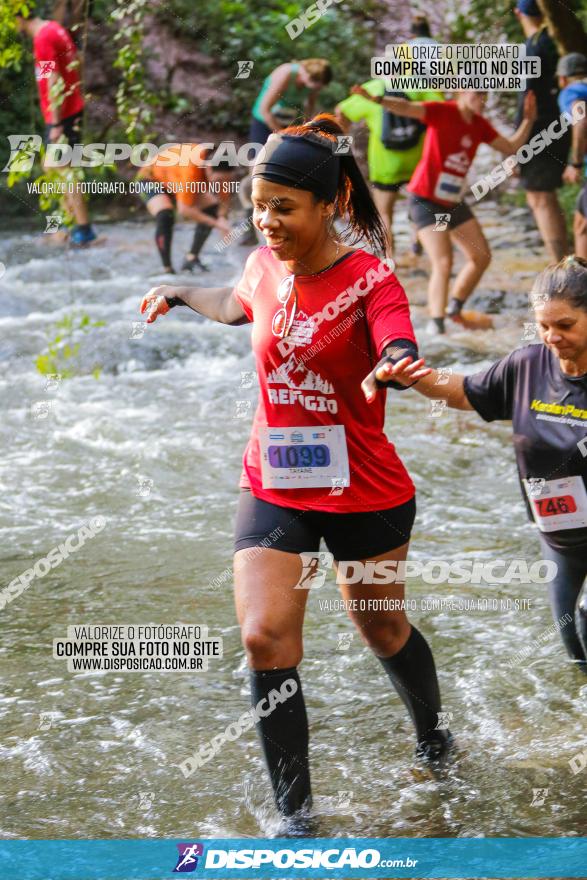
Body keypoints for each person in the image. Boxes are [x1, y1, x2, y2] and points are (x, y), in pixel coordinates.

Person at [140, 114, 453, 825]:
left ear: (330, 204)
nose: (266, 221)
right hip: (275, 481)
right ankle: (296, 818)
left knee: (381, 628)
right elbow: (235, 303)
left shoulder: (370, 279)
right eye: (258, 206)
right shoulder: (260, 263)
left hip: (364, 489)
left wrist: (396, 361)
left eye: (283, 207)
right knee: (263, 636)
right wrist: (180, 291)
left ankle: (433, 738)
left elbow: (394, 334)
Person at [370, 255, 587, 669]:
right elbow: (465, 392)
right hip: (558, 536)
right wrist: (413, 376)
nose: (552, 337)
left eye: (565, 326)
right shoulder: (527, 366)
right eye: (543, 325)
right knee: (574, 647)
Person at [352, 86, 537, 334]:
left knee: (481, 256)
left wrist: (528, 120)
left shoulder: (480, 125)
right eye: (475, 93)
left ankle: (455, 307)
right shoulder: (442, 112)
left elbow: (511, 146)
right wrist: (376, 99)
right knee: (443, 261)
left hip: (452, 201)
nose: (480, 100)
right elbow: (407, 109)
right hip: (424, 200)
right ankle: (436, 324)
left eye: (484, 95)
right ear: (461, 93)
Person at [335, 17, 442, 259]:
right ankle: (418, 243)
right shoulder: (419, 86)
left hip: (385, 164)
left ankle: (390, 258)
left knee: (384, 213)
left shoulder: (373, 89)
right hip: (417, 160)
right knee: (421, 205)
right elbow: (443, 111)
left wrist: (345, 131)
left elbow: (342, 110)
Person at [15, 10, 97, 246]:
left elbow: (52, 78)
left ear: (19, 17)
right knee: (54, 166)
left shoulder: (43, 38)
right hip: (70, 107)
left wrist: (57, 122)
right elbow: (77, 61)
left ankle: (82, 229)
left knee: (62, 168)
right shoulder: (54, 28)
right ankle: (70, 224)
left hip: (63, 113)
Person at [239, 59, 333, 246]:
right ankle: (248, 221)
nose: (313, 88)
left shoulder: (314, 80)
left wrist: (307, 130)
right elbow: (265, 110)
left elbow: (310, 110)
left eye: (317, 86)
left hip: (287, 121)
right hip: (264, 121)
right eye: (311, 84)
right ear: (305, 74)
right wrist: (282, 135)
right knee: (257, 169)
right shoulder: (286, 74)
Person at [515, 0, 570, 262]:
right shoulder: (556, 40)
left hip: (540, 132)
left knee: (539, 197)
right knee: (546, 195)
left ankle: (560, 265)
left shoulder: (532, 47)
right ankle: (567, 261)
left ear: (519, 14)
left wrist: (515, 146)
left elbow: (528, 101)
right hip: (565, 124)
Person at [138, 144, 235, 273]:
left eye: (225, 180)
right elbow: (184, 210)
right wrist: (218, 224)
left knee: (212, 207)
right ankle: (167, 269)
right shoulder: (191, 169)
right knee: (165, 214)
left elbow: (224, 201)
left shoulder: (221, 165)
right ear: (209, 168)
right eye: (219, 180)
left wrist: (222, 217)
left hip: (175, 179)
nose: (221, 184)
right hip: (150, 179)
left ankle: (191, 258)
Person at [557, 53, 587, 259]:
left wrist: (575, 163)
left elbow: (581, 119)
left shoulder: (571, 91)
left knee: (583, 226)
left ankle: (581, 286)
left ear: (562, 79)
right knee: (580, 222)